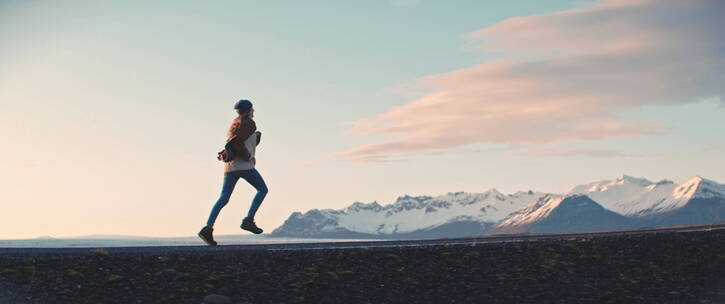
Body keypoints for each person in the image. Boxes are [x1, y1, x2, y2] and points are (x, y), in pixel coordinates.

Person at [198, 99, 269, 246]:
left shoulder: (236, 125)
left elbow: (238, 142)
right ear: (249, 110)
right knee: (262, 190)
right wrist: (247, 156)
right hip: (244, 166)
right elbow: (238, 144)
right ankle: (248, 220)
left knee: (224, 198)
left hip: (230, 168)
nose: (253, 111)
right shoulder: (249, 123)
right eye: (252, 109)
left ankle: (207, 228)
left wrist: (256, 139)